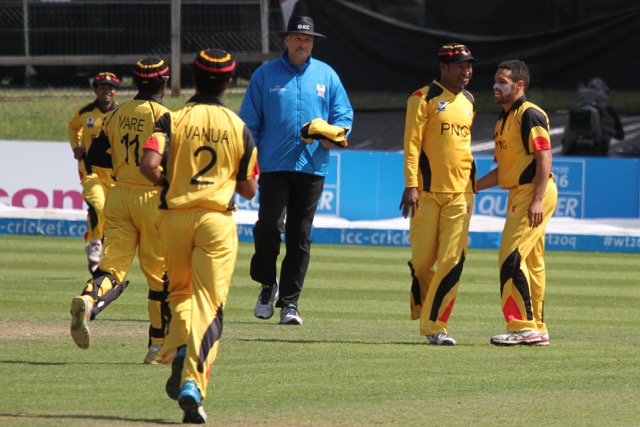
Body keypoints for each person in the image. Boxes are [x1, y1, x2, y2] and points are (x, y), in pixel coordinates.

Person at [139, 48, 258, 424]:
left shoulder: (172, 119)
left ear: (193, 78)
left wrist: (170, 183)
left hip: (174, 218)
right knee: (210, 305)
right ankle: (193, 381)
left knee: (179, 295)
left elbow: (148, 164)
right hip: (215, 221)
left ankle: (177, 348)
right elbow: (249, 189)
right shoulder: (238, 126)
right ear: (229, 82)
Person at [239, 15, 353, 325]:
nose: (303, 43)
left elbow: (344, 116)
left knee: (300, 235)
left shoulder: (327, 75)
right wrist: (248, 161)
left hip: (313, 165)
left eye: (308, 39)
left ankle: (290, 303)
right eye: (298, 38)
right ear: (287, 40)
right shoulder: (265, 75)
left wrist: (332, 134)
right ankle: (267, 284)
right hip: (274, 165)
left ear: (313, 43)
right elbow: (249, 122)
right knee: (268, 226)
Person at [69, 58, 171, 364]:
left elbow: (96, 155)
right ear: (164, 84)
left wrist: (124, 165)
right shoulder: (164, 116)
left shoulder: (117, 113)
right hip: (152, 199)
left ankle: (89, 299)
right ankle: (157, 347)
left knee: (112, 267)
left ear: (135, 82)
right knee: (159, 277)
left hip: (119, 195)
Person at [399, 43, 477, 346]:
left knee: (451, 260)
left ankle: (435, 325)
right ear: (443, 67)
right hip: (427, 192)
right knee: (421, 263)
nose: (467, 71)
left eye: (469, 65)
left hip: (461, 194)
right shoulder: (422, 98)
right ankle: (426, 304)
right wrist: (411, 185)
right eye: (460, 66)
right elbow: (412, 145)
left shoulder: (469, 100)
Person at [476, 59, 558, 346]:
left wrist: (536, 199)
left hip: (533, 192)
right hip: (523, 192)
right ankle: (538, 328)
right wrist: (472, 187)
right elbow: (503, 170)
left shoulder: (529, 114)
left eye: (503, 82)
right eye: (495, 81)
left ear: (519, 85)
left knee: (511, 258)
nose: (495, 86)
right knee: (531, 262)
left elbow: (544, 157)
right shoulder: (503, 120)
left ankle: (523, 328)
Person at [68, 72, 119, 273]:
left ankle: (94, 239)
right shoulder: (86, 112)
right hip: (90, 170)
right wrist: (76, 147)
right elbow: (73, 127)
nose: (107, 91)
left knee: (108, 213)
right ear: (95, 90)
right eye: (102, 87)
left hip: (113, 173)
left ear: (115, 91)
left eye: (110, 88)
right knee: (98, 205)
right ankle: (96, 242)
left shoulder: (120, 114)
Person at [561, 77, 625, 156]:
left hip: (573, 149)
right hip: (599, 150)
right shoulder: (609, 110)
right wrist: (611, 132)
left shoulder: (576, 109)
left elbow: (566, 135)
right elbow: (621, 135)